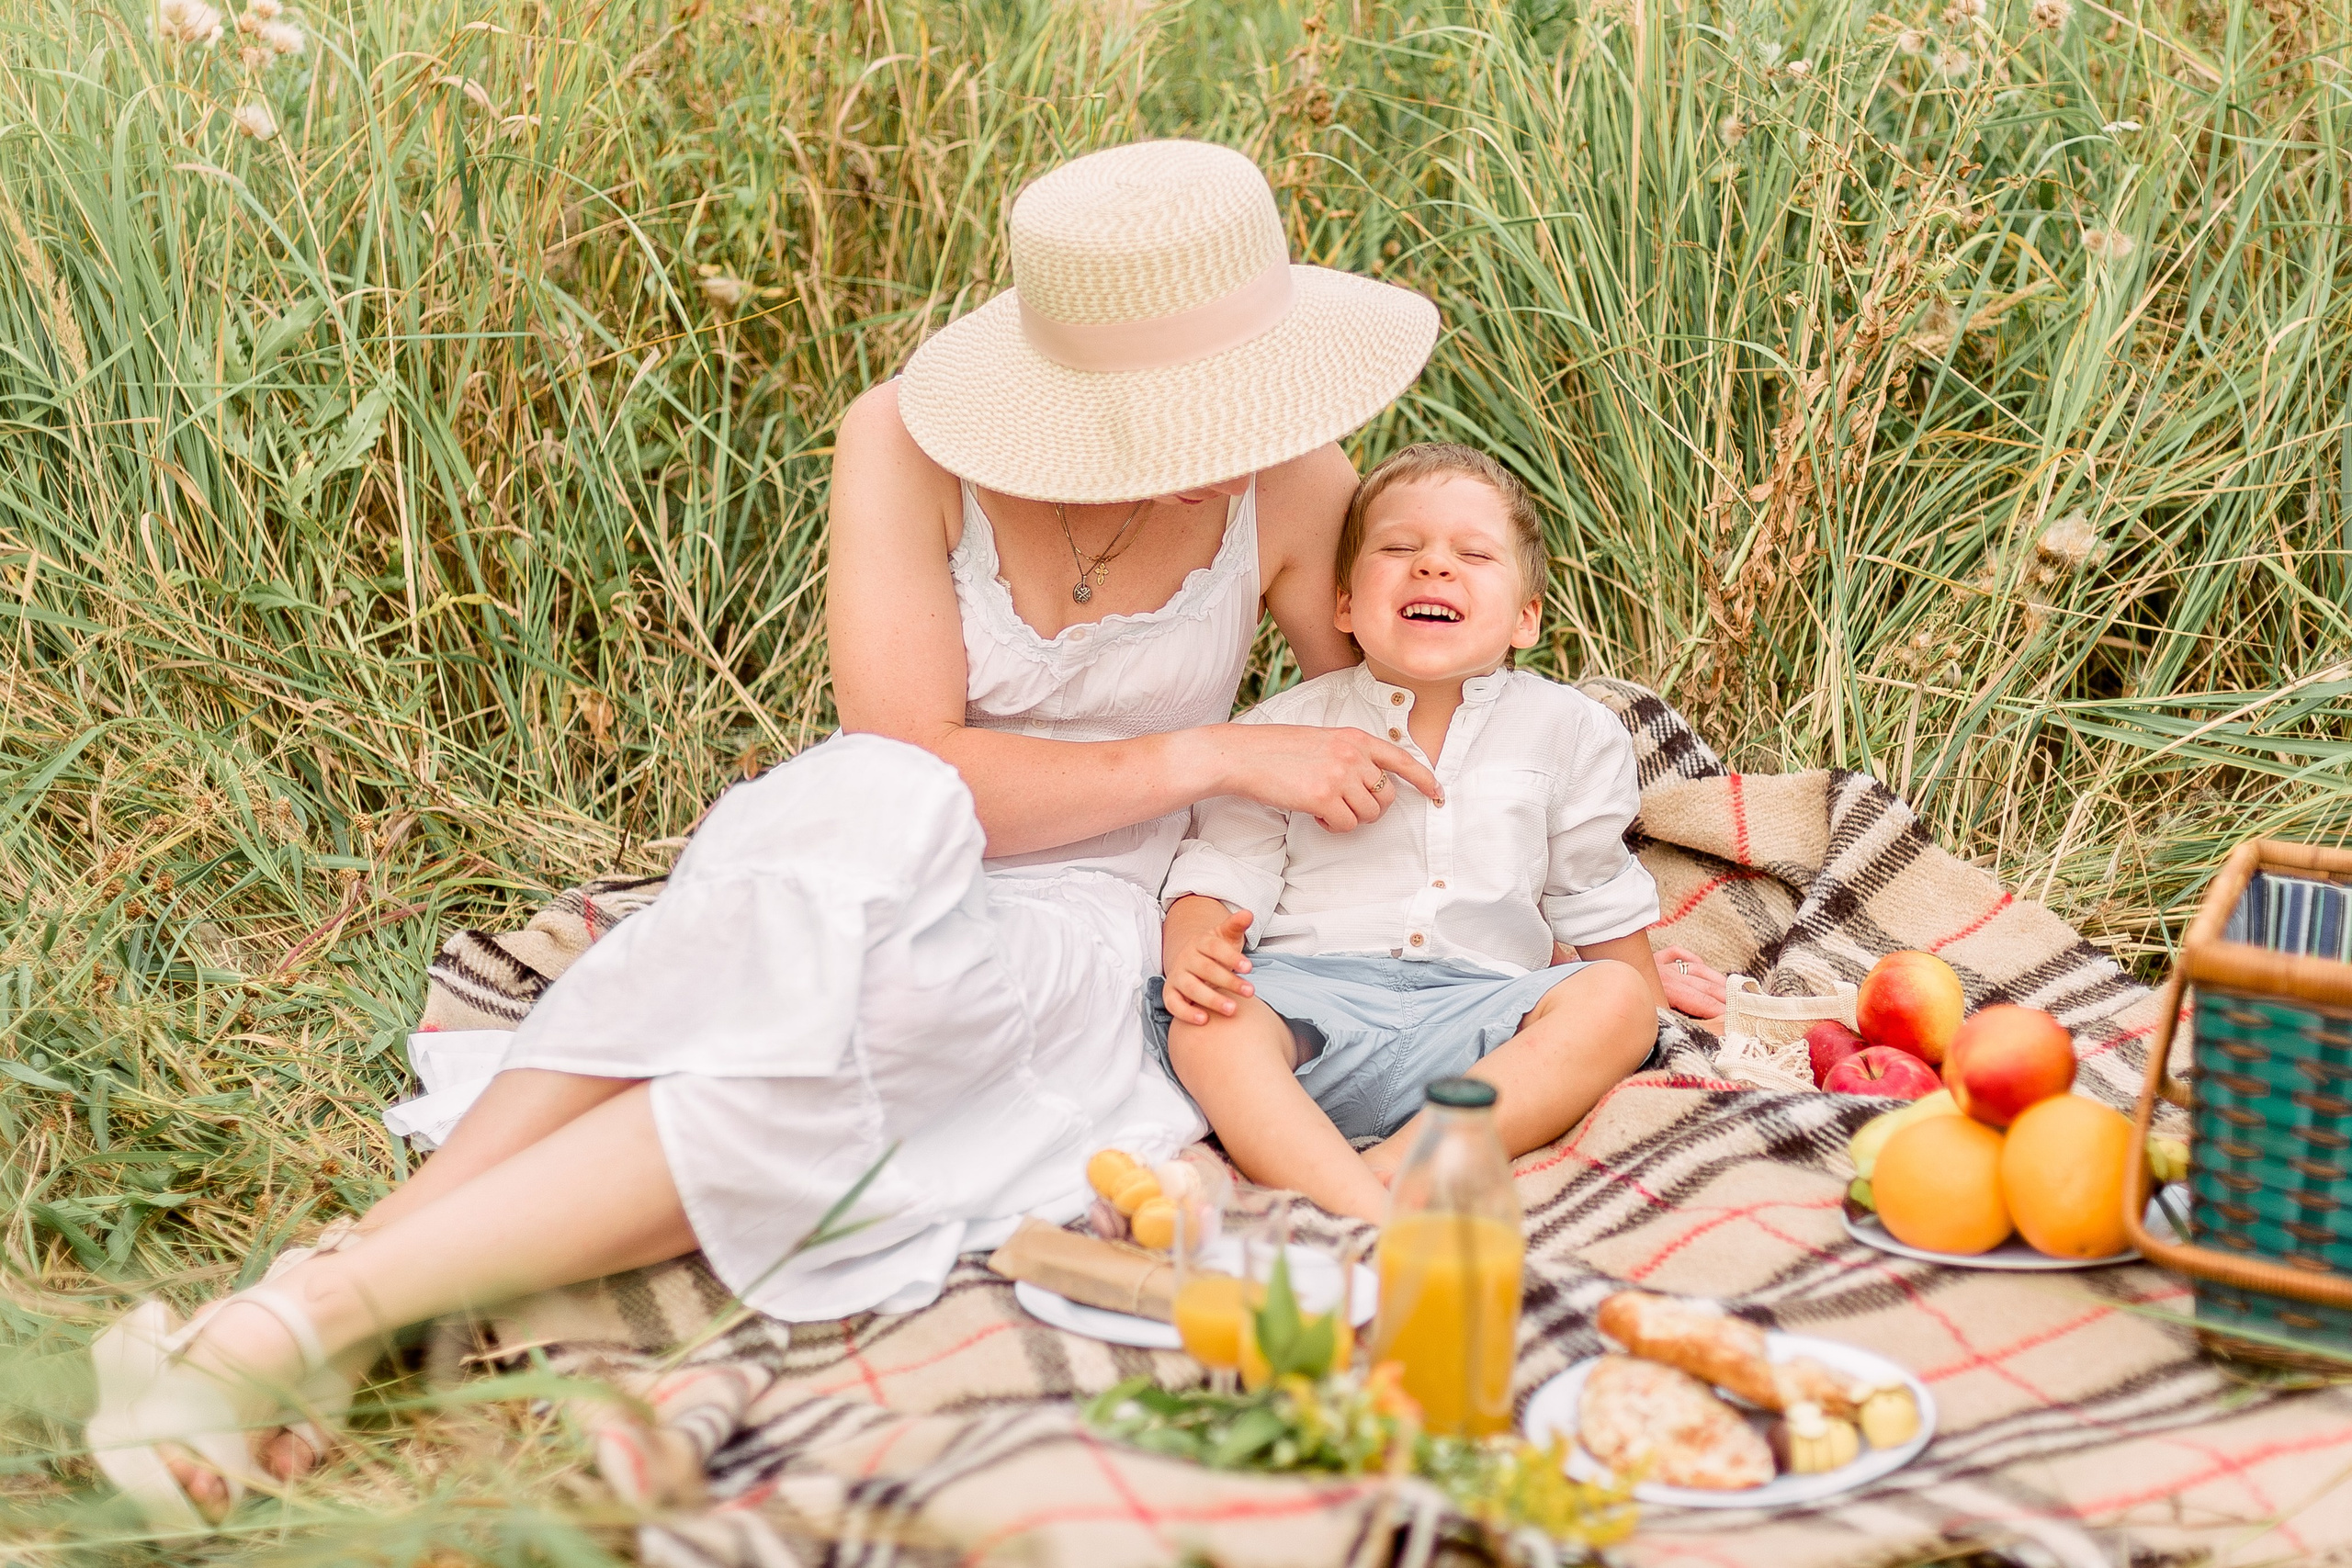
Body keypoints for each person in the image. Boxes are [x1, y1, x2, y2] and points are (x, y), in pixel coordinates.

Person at [80, 140, 1726, 1527]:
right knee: (819, 873)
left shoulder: (1296, 481)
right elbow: (917, 754)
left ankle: (307, 1310)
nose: (1233, 431)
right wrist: (1202, 746)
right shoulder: (906, 440)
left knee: (835, 1062)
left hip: (1086, 899)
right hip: (907, 808)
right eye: (1194, 400)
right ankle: (336, 1291)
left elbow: (1373, 728)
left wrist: (1554, 925)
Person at [1155, 444, 1666, 1222]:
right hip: (1311, 1009)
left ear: (1526, 617)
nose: (1433, 566)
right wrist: (1195, 947)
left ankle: (1393, 1172)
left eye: (1474, 554)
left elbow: (1596, 898)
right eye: (1398, 548)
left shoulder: (1571, 731)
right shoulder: (1282, 731)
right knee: (1207, 1024)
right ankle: (1365, 1206)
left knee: (1618, 1003)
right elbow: (1220, 871)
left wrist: (1644, 998)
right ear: (1343, 605)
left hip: (1484, 1024)